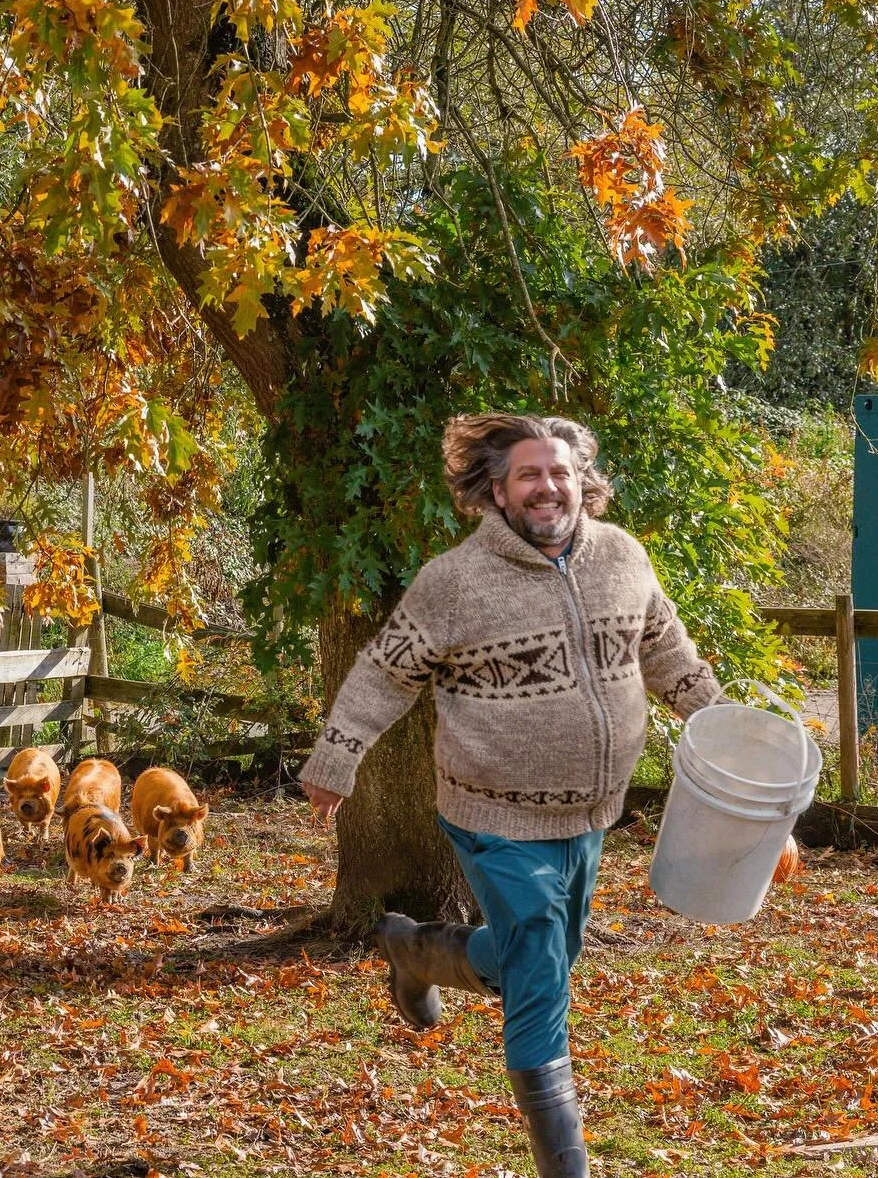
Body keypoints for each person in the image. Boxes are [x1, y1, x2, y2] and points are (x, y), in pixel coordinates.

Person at [298, 413, 720, 1178]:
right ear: (497, 490)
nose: (546, 486)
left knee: (550, 950)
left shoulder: (624, 557)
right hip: (490, 812)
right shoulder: (455, 581)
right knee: (538, 965)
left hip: (591, 812)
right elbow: (385, 670)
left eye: (558, 471)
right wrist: (338, 755)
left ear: (581, 480)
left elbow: (667, 650)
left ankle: (414, 949)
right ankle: (566, 1165)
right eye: (528, 474)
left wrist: (725, 733)